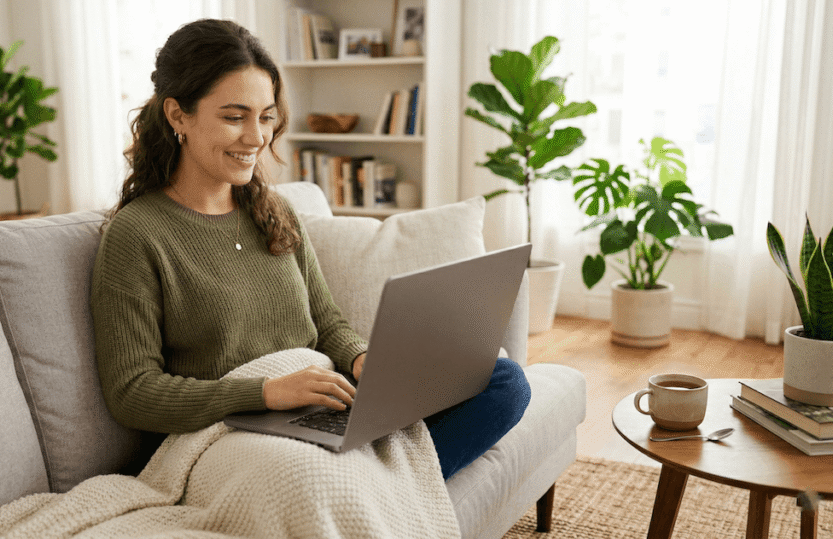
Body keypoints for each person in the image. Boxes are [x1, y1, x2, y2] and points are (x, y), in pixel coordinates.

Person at [90, 18, 531, 481]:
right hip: (230, 433)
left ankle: (372, 484)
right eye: (234, 117)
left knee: (502, 382)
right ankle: (376, 484)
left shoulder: (272, 210)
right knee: (311, 471)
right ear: (177, 114)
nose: (257, 138)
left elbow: (327, 323)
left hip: (314, 412)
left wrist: (363, 360)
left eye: (265, 116)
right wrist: (265, 393)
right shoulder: (137, 234)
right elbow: (133, 392)